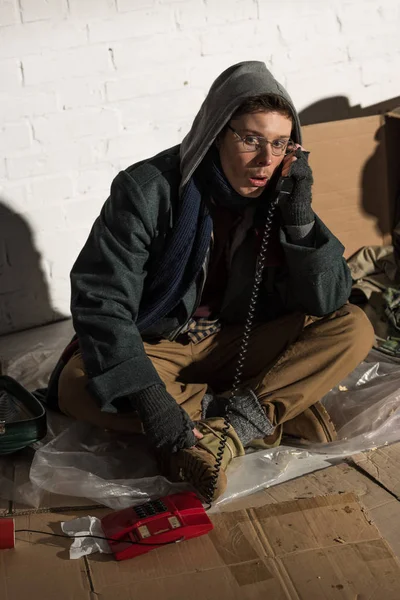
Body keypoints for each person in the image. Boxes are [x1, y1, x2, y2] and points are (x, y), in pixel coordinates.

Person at [46, 61, 374, 501]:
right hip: (159, 342)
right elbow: (102, 302)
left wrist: (298, 223)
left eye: (279, 144)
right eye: (251, 139)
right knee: (77, 384)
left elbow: (328, 300)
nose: (265, 160)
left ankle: (229, 429)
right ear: (218, 131)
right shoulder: (147, 190)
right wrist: (151, 399)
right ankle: (256, 413)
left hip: (236, 339)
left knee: (354, 327)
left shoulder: (281, 195)